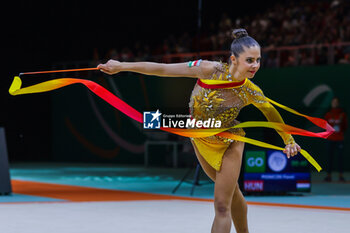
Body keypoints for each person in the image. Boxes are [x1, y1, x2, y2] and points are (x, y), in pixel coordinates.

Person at [98, 29, 301, 233]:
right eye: (250, 60)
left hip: (229, 142)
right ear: (234, 59)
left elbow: (272, 114)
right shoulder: (207, 69)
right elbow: (163, 69)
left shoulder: (250, 91)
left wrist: (289, 140)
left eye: (258, 60)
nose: (255, 65)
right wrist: (121, 66)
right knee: (234, 194)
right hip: (200, 138)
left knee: (222, 206)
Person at [324, 97, 347, 182]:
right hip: (330, 139)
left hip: (339, 139)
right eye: (333, 102)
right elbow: (325, 127)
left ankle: (341, 176)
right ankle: (328, 176)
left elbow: (345, 126)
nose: (335, 103)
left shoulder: (342, 114)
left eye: (336, 102)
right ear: (331, 103)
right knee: (329, 158)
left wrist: (340, 133)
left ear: (338, 103)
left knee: (340, 158)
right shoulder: (328, 114)